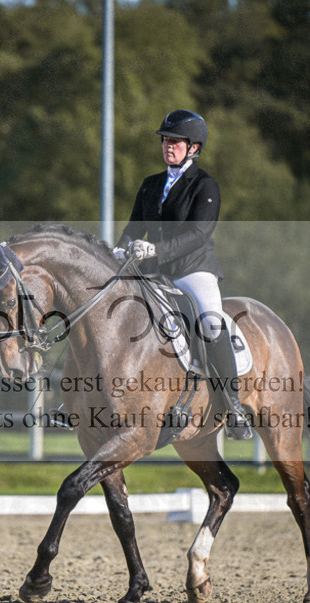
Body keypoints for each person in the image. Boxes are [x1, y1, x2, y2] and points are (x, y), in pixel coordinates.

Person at [114, 109, 251, 440]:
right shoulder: (150, 185)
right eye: (165, 140)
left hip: (193, 271)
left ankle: (233, 406)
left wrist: (157, 251)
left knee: (209, 322)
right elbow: (135, 227)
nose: (167, 145)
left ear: (194, 147)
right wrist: (120, 249)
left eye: (175, 141)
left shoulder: (204, 185)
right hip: (154, 272)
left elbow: (199, 234)